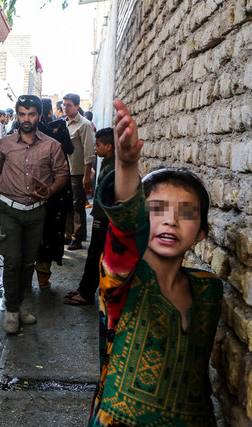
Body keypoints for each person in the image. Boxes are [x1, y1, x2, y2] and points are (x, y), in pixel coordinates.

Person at [89, 100, 222, 426]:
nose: (171, 221)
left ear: (202, 232)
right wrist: (126, 165)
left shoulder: (209, 291)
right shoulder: (120, 282)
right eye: (157, 209)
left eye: (186, 213)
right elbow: (124, 228)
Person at [0, 95, 69, 334]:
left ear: (39, 116)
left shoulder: (52, 145)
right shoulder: (5, 144)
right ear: (17, 115)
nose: (26, 119)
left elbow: (62, 174)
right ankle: (10, 310)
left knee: (27, 263)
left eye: (31, 114)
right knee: (12, 262)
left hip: (37, 212)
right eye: (22, 114)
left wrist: (50, 189)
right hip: (10, 209)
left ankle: (18, 306)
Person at [64, 127, 114, 305]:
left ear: (109, 146)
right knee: (93, 253)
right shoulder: (109, 162)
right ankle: (84, 289)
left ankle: (86, 293)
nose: (95, 148)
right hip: (102, 215)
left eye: (98, 145)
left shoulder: (115, 167)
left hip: (105, 218)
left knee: (95, 255)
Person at [32, 98, 74, 289]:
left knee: (30, 235)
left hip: (30, 190)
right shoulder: (59, 130)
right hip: (55, 191)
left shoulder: (28, 131)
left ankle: (25, 280)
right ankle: (43, 280)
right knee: (49, 235)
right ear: (49, 112)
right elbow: (69, 151)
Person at [63, 93, 95, 250]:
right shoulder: (65, 124)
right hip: (66, 171)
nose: (65, 108)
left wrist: (87, 174)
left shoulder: (84, 125)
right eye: (64, 105)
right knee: (68, 204)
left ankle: (78, 236)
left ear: (77, 106)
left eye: (69, 105)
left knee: (78, 204)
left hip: (79, 171)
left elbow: (89, 152)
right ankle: (68, 234)